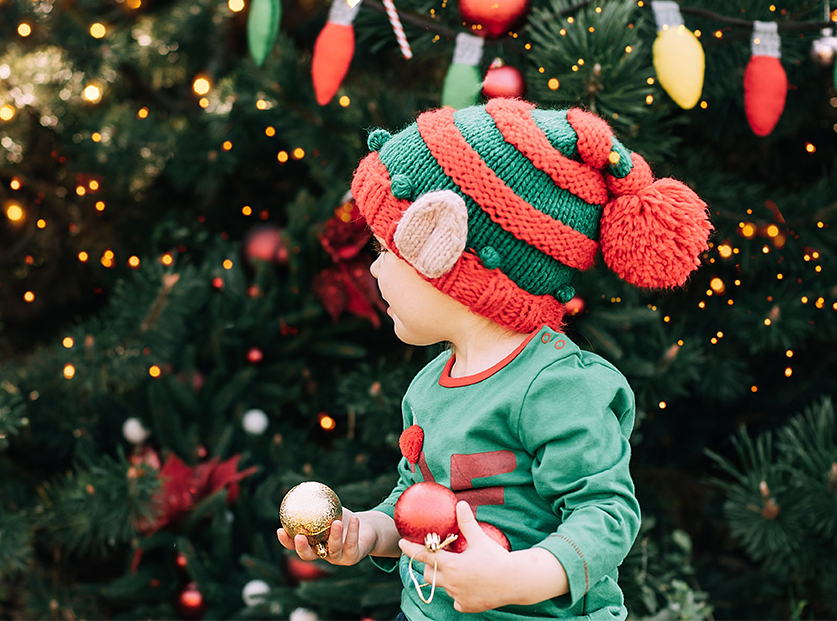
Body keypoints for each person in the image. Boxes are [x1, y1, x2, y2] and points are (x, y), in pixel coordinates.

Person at [277, 97, 712, 620]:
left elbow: (605, 514)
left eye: (388, 251)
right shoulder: (429, 387)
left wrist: (519, 579)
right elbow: (418, 503)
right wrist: (367, 531)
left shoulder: (557, 386)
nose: (373, 272)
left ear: (453, 257)